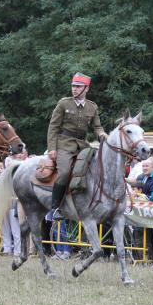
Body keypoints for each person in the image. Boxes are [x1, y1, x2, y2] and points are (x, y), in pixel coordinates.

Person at [47, 73, 106, 221]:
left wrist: (102, 135)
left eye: (78, 86)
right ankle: (54, 209)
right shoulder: (64, 103)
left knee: (97, 167)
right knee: (65, 171)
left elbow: (97, 127)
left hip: (83, 145)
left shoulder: (92, 107)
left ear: (86, 88)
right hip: (64, 144)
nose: (74, 89)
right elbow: (53, 127)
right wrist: (52, 148)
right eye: (73, 86)